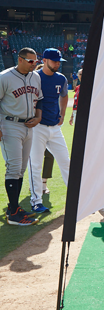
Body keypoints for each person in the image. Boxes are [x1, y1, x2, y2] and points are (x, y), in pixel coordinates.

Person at [1, 48, 43, 225]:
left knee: (21, 169)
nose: (34, 64)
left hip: (29, 125)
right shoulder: (4, 77)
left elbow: (39, 99)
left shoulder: (36, 77)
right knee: (14, 167)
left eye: (35, 61)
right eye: (30, 61)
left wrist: (39, 117)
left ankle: (14, 208)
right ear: (20, 59)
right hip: (10, 124)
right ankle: (13, 216)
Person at [27, 49, 69, 214]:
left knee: (66, 162)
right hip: (37, 128)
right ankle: (36, 201)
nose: (58, 64)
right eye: (54, 61)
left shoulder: (61, 78)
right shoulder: (34, 77)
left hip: (55, 128)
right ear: (44, 60)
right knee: (36, 165)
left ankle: (76, 197)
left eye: (59, 61)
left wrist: (63, 114)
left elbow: (64, 96)